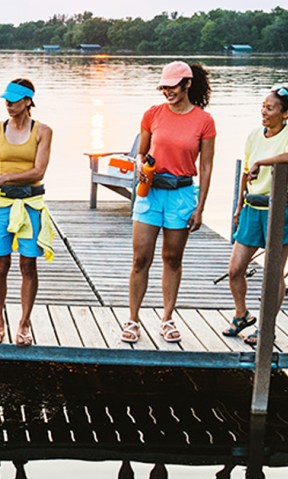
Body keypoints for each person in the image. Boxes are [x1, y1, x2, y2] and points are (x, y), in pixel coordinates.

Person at [121, 61, 216, 344]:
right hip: (150, 192)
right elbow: (140, 153)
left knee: (172, 259)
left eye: (172, 86)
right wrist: (140, 165)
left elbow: (208, 167)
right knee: (141, 259)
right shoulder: (153, 114)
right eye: (164, 86)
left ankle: (167, 318)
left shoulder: (204, 121)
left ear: (187, 84)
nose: (167, 91)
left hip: (183, 194)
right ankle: (133, 319)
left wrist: (200, 207)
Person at [0, 79, 55, 348]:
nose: (9, 104)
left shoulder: (43, 131)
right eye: (6, 99)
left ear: (28, 101)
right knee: (0, 264)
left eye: (15, 100)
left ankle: (24, 323)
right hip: (1, 206)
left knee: (28, 264)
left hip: (30, 205)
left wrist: (5, 178)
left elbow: (39, 172)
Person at [222, 86, 288, 346]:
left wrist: (264, 162)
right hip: (252, 208)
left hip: (279, 209)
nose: (264, 111)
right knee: (235, 269)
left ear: (286, 113)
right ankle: (242, 315)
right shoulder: (253, 136)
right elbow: (247, 172)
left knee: (273, 274)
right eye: (263, 106)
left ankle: (266, 329)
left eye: (270, 108)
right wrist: (238, 206)